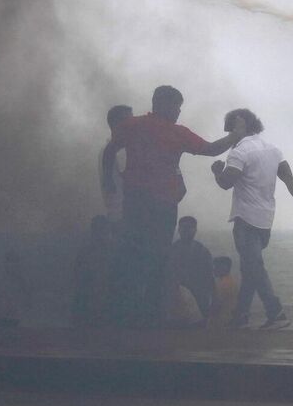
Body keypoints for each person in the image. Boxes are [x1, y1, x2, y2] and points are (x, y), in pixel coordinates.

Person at [101, 86, 240, 328]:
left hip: (136, 201)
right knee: (157, 258)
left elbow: (110, 150)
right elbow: (210, 149)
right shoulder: (176, 132)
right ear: (162, 104)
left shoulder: (132, 125)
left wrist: (107, 180)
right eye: (176, 107)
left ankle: (125, 314)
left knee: (133, 255)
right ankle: (150, 316)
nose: (178, 112)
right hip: (162, 204)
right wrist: (235, 136)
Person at [211, 108, 293, 329]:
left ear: (239, 127)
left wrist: (217, 171)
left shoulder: (239, 152)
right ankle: (241, 315)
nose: (229, 138)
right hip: (266, 219)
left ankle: (276, 313)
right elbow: (289, 179)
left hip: (245, 219)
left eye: (230, 131)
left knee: (254, 267)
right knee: (250, 267)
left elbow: (226, 183)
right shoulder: (273, 150)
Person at [69, 216, 114, 327]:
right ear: (93, 231)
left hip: (110, 308)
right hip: (88, 308)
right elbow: (78, 280)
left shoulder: (115, 254)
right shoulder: (85, 254)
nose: (101, 234)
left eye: (104, 230)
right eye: (98, 230)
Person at [169, 216, 216, 320]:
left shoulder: (202, 251)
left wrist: (214, 298)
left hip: (199, 294)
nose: (186, 230)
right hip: (177, 295)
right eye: (184, 227)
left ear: (195, 230)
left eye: (190, 227)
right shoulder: (172, 250)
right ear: (179, 230)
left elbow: (210, 276)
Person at [100, 104, 132, 221]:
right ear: (117, 123)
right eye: (129, 120)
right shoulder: (120, 151)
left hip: (116, 214)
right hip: (126, 216)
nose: (133, 124)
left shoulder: (105, 149)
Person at [207, 257, 239, 330]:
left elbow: (216, 305)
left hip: (221, 322)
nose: (213, 269)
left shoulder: (224, 284)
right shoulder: (231, 281)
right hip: (228, 318)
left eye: (216, 266)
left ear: (224, 268)